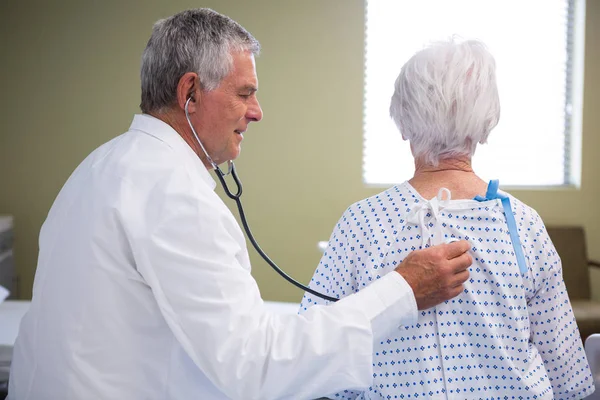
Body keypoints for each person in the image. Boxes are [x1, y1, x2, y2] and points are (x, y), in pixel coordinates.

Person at [7, 9, 473, 400]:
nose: (257, 111)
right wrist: (404, 289)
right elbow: (256, 365)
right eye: (245, 93)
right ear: (189, 93)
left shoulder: (98, 167)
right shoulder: (173, 196)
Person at [300, 38, 594, 399]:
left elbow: (315, 355)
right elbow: (567, 376)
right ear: (487, 122)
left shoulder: (361, 222)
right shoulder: (522, 224)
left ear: (402, 123)